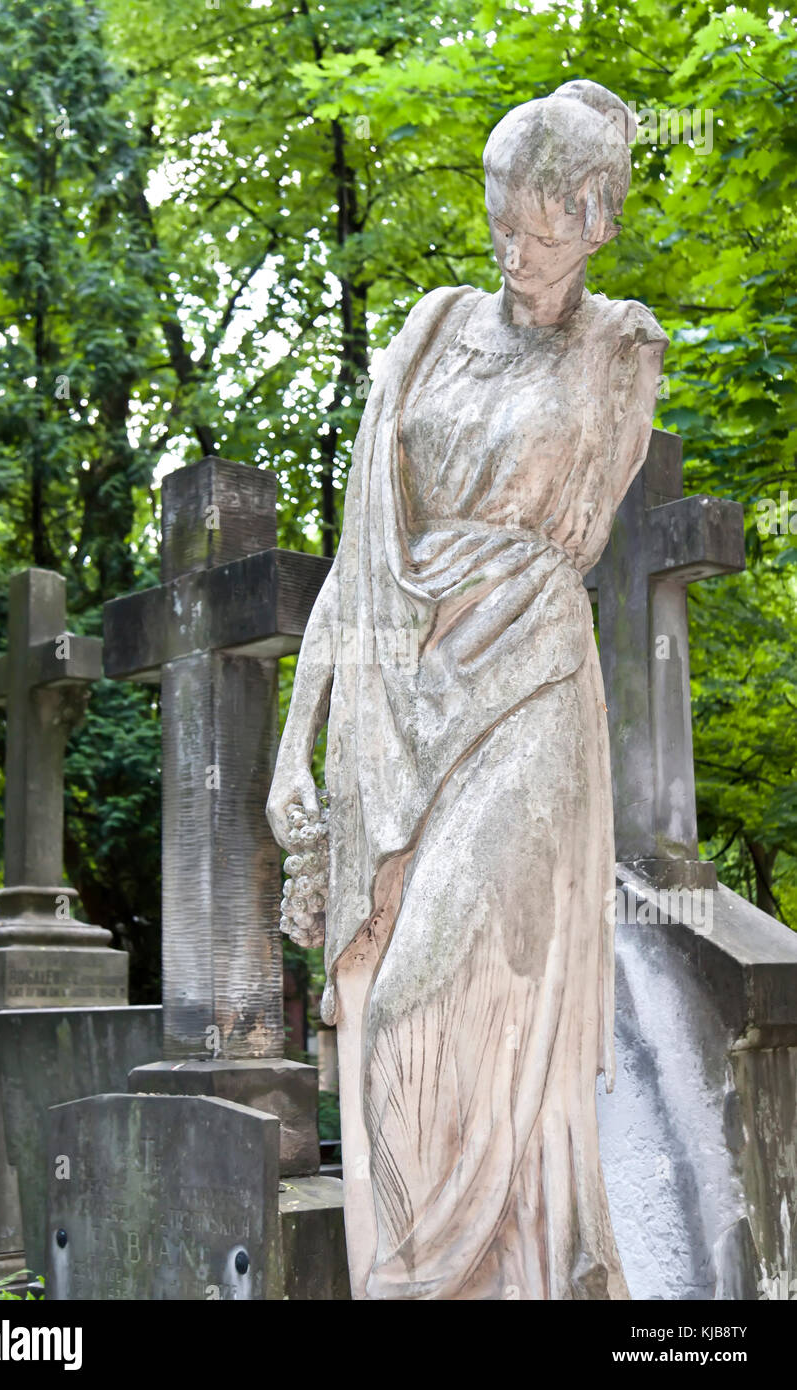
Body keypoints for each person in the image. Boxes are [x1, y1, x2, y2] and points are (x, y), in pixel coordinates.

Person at [267, 79, 667, 1301]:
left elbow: (575, 533)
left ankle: (453, 1275)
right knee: (376, 990)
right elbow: (362, 557)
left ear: (598, 224)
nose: (515, 248)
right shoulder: (431, 328)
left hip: (527, 689)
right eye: (501, 215)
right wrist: (299, 737)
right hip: (402, 691)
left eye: (545, 228)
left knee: (423, 997)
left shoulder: (619, 348)